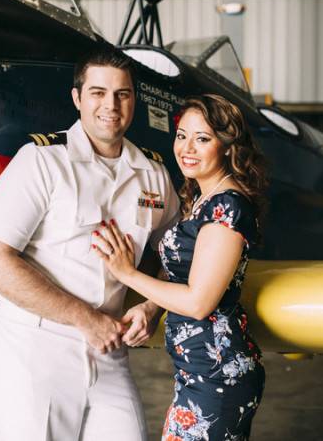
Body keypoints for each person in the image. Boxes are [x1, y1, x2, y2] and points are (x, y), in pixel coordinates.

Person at [0, 50, 180, 441]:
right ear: (77, 98)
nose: (111, 106)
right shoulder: (41, 161)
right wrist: (85, 319)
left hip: (109, 348)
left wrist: (152, 307)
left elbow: (178, 253)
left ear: (134, 100)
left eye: (122, 94)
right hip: (34, 345)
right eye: (98, 92)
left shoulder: (153, 173)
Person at [93, 94, 268, 441]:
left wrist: (128, 273)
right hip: (197, 370)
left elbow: (198, 302)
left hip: (217, 373)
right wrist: (149, 306)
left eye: (202, 139)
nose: (187, 147)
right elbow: (183, 275)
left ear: (227, 146)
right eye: (182, 135)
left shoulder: (227, 207)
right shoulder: (201, 197)